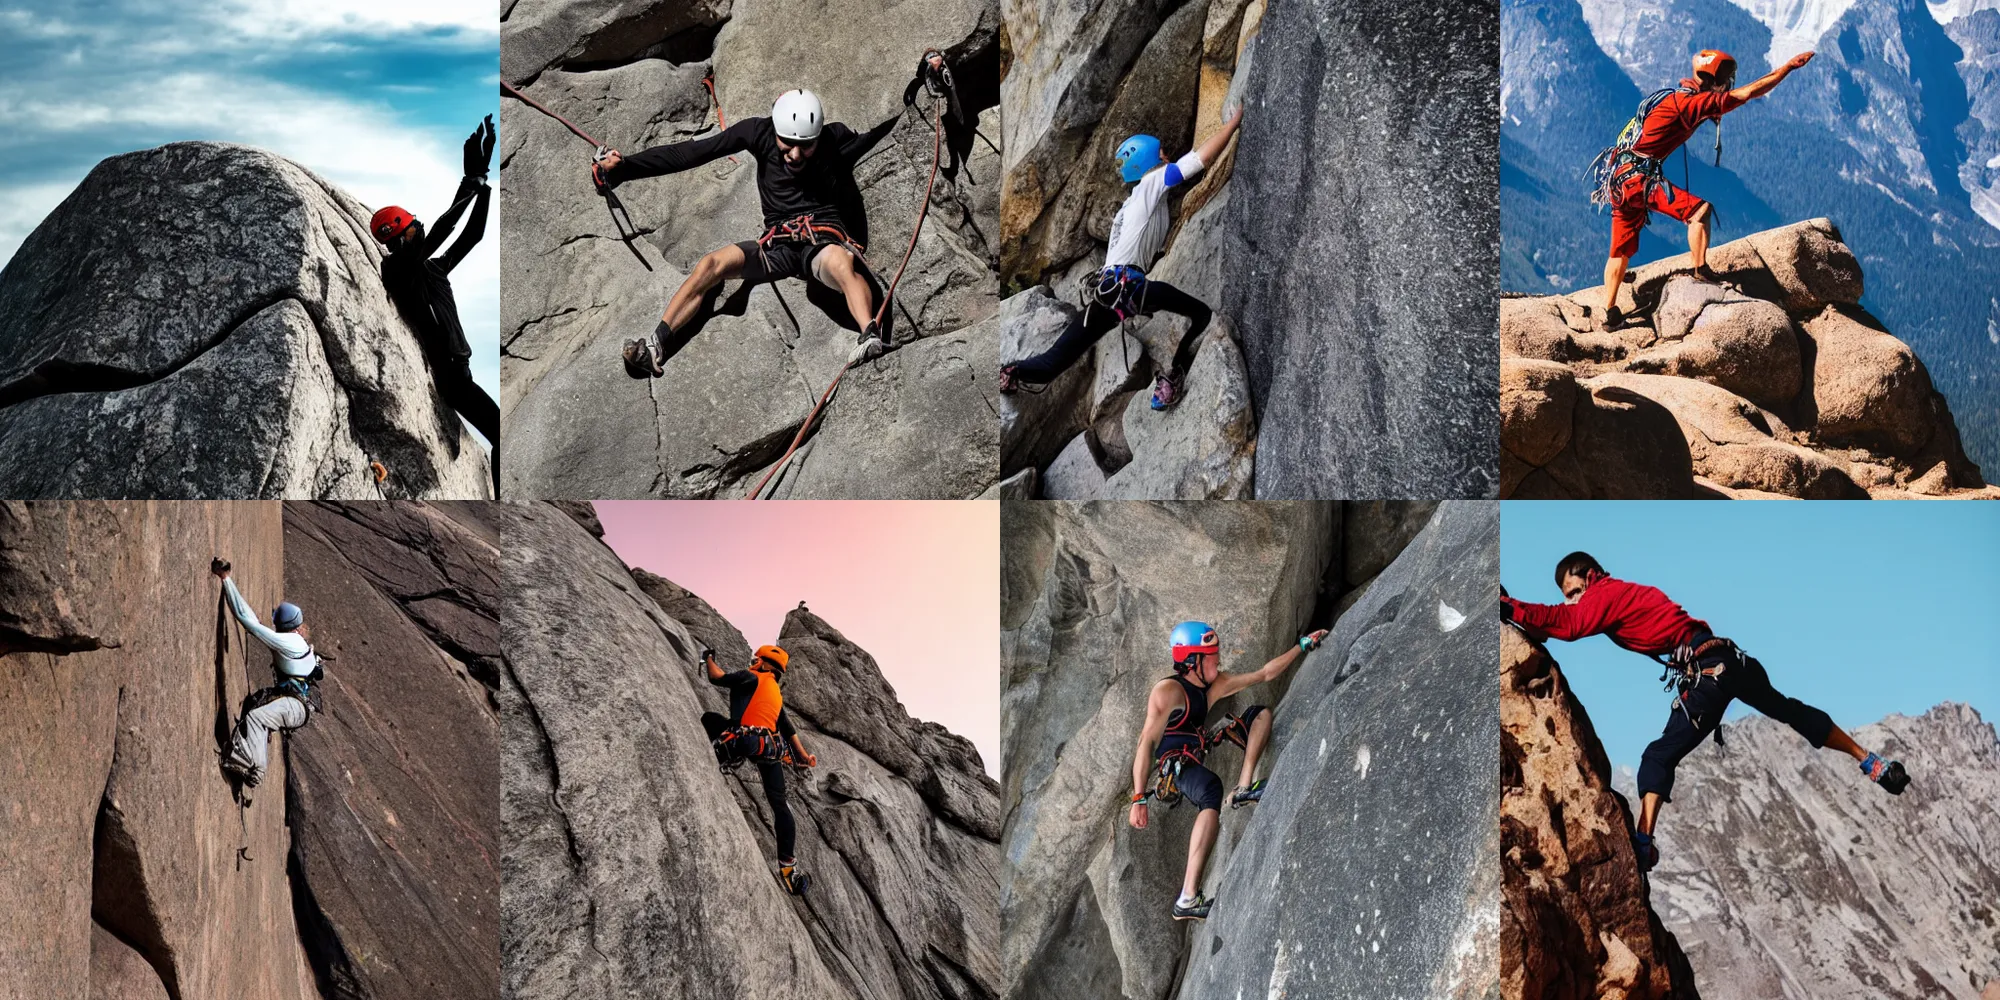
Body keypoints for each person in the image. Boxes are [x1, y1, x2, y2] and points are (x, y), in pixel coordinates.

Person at [1503, 552, 1909, 872]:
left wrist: (1507, 605)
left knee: (1657, 756)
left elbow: (1569, 624)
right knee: (1788, 709)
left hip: (1706, 674)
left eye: (1574, 590)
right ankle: (1870, 762)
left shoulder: (1605, 594)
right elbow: (1557, 622)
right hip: (1730, 659)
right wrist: (1526, 620)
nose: (1574, 600)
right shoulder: (1628, 592)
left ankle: (1643, 843)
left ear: (1589, 577)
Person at [604, 56, 949, 379]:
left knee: (841, 262)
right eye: (788, 143)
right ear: (776, 130)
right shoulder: (757, 132)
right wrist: (626, 167)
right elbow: (693, 152)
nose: (796, 154)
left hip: (820, 241)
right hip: (776, 246)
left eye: (806, 145)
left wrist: (924, 79)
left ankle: (869, 336)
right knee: (712, 264)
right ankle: (655, 346)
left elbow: (885, 127)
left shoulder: (832, 139)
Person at [1000, 108, 1243, 410]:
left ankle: (1011, 371)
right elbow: (1198, 160)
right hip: (1131, 290)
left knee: (1055, 361)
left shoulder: (1131, 203)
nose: (1167, 156)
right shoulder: (1151, 185)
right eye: (1162, 153)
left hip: (1106, 298)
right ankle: (1171, 379)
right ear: (1148, 162)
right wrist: (1234, 122)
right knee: (1202, 315)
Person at [1588, 50, 1815, 331]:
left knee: (1619, 252)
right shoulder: (1692, 103)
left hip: (1620, 179)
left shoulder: (1671, 97)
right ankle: (1700, 271)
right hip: (1639, 179)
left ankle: (1609, 313)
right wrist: (1787, 68)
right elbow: (1748, 94)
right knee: (1700, 211)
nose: (1728, 85)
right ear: (1717, 81)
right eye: (1726, 80)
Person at [1127, 620, 1327, 920]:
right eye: (1211, 654)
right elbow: (1147, 742)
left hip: (1196, 752)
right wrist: (1139, 797)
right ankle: (1187, 898)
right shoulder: (1168, 690)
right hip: (1176, 765)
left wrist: (1300, 646)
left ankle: (1244, 788)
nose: (1218, 659)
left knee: (1260, 715)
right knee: (1210, 789)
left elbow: (1264, 674)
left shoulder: (1216, 684)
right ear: (1192, 660)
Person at [372, 116, 501, 491]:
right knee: (500, 437)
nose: (421, 225)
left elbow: (472, 235)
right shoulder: (398, 270)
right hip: (450, 378)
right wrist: (471, 182)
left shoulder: (432, 267)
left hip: (461, 370)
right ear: (400, 232)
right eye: (413, 224)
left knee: (499, 435)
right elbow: (443, 229)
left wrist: (483, 183)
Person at [701, 644, 818, 895]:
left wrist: (708, 657)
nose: (753, 661)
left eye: (757, 659)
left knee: (709, 718)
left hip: (743, 742)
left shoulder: (751, 676)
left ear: (765, 664)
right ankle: (789, 868)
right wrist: (805, 756)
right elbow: (788, 730)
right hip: (771, 749)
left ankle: (727, 754)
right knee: (780, 806)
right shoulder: (775, 694)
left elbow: (717, 677)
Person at [212, 558, 321, 789]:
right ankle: (250, 763)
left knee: (256, 717)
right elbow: (254, 622)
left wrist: (226, 579)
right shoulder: (295, 640)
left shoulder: (291, 642)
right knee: (253, 707)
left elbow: (248, 623)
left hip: (295, 706)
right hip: (296, 705)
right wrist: (228, 583)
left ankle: (256, 770)